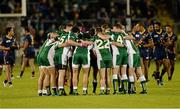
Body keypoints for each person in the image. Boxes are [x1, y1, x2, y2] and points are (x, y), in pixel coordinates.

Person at [94, 27, 112, 95]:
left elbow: (94, 51)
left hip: (102, 58)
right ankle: (108, 90)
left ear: (96, 31)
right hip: (109, 57)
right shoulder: (107, 37)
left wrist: (97, 56)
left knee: (102, 76)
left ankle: (102, 90)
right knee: (108, 75)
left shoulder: (95, 38)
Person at [111, 24, 128, 94]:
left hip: (118, 54)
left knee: (115, 73)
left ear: (117, 28)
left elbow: (113, 42)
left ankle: (115, 91)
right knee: (123, 73)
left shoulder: (112, 35)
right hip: (125, 53)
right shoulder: (122, 35)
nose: (113, 29)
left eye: (114, 27)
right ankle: (126, 90)